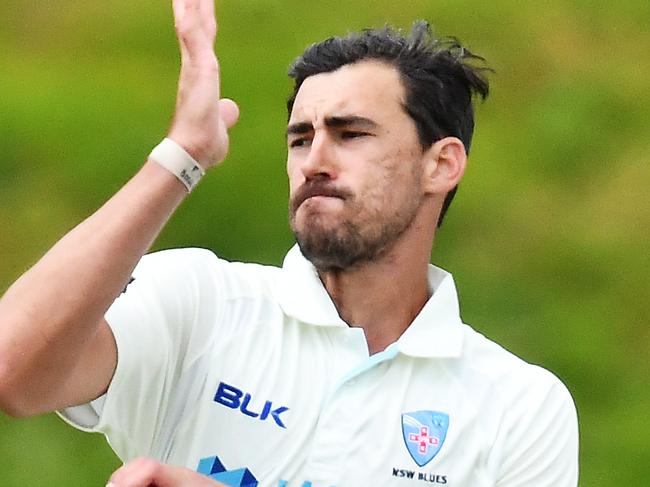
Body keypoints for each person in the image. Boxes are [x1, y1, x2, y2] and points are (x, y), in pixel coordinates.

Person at [0, 0, 579, 486]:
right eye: (300, 139)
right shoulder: (201, 301)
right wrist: (182, 156)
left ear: (442, 164)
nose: (315, 161)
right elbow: (13, 371)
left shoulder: (522, 407)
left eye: (351, 134)